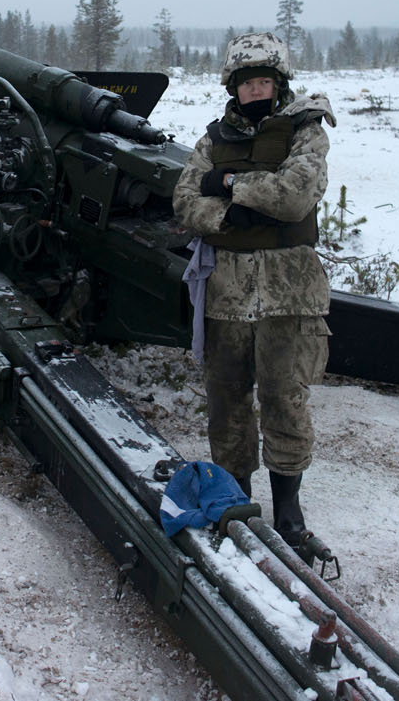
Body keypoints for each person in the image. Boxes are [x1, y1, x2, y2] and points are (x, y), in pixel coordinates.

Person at [172, 31, 335, 560]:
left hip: (291, 292)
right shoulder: (213, 138)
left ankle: (289, 511)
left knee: (285, 399)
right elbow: (183, 201)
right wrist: (225, 214)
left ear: (279, 83)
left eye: (265, 81)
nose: (256, 90)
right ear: (233, 88)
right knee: (228, 404)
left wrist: (229, 185)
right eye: (248, 83)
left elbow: (296, 194)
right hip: (226, 293)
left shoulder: (305, 130)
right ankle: (236, 500)